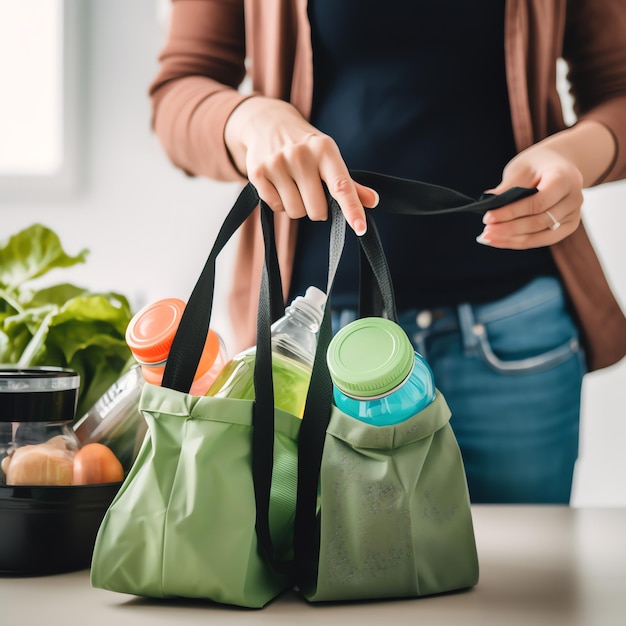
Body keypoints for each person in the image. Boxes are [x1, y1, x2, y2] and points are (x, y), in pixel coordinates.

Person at [149, 0, 626, 504]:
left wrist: (575, 156)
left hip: (515, 336)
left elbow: (617, 86)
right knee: (313, 568)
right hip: (312, 347)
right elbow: (180, 91)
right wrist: (250, 119)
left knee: (525, 577)